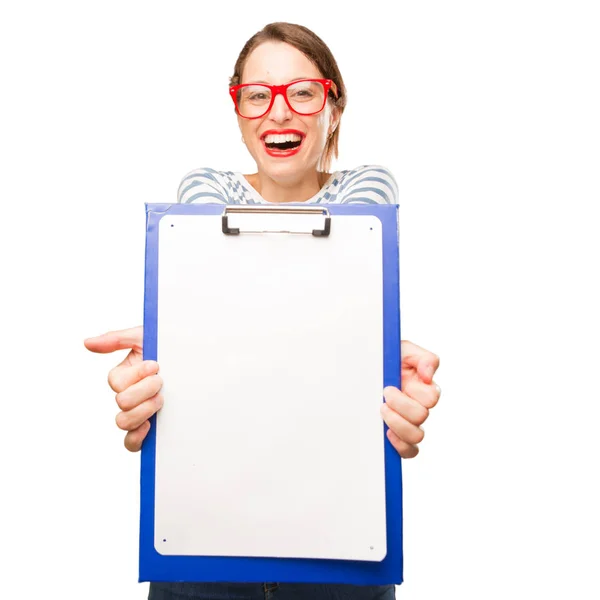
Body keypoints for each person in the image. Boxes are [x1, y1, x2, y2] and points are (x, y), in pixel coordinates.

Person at [84, 22, 441, 600]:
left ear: (333, 107)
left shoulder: (369, 189)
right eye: (257, 95)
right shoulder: (203, 188)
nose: (279, 111)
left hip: (339, 541)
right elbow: (283, 309)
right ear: (240, 112)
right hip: (204, 538)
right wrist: (163, 364)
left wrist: (372, 365)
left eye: (302, 92)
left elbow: (259, 299)